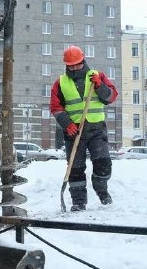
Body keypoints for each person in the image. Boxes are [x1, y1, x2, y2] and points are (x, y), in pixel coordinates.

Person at [50, 45, 119, 211]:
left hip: (96, 130)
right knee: (76, 168)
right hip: (74, 132)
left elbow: (111, 97)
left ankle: (101, 189)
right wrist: (67, 124)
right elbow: (55, 107)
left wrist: (100, 86)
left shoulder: (96, 76)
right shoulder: (61, 82)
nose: (74, 68)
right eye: (71, 65)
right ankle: (79, 201)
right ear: (66, 65)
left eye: (77, 64)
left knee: (103, 163)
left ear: (83, 60)